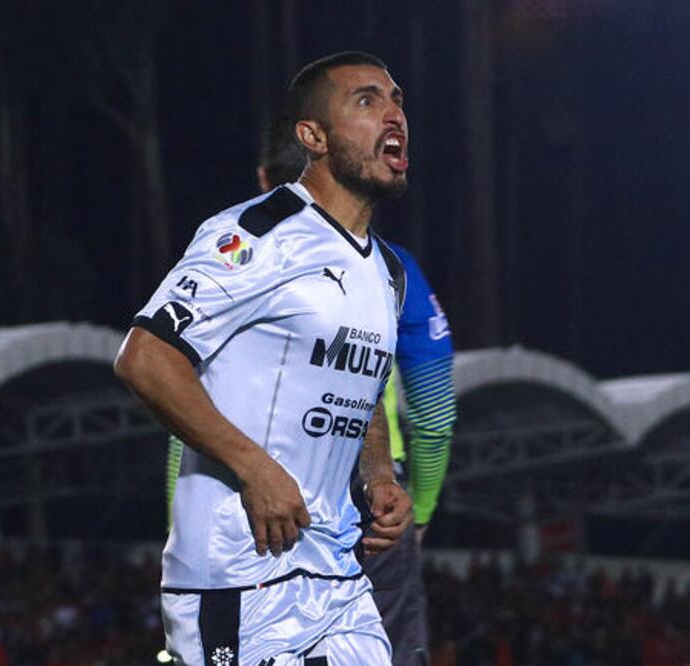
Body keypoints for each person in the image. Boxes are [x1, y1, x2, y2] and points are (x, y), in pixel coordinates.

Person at [115, 51, 413, 665]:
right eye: (367, 100)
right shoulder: (257, 233)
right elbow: (145, 358)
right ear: (313, 137)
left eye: (397, 100)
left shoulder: (387, 270)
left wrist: (380, 477)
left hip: (337, 578)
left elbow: (363, 384)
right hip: (237, 573)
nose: (394, 115)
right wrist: (254, 467)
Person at [166, 111, 456, 665]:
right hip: (366, 512)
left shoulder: (236, 254)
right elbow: (435, 411)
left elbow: (185, 413)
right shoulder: (393, 270)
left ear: (262, 177)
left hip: (244, 509)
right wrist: (417, 511)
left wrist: (182, 532)